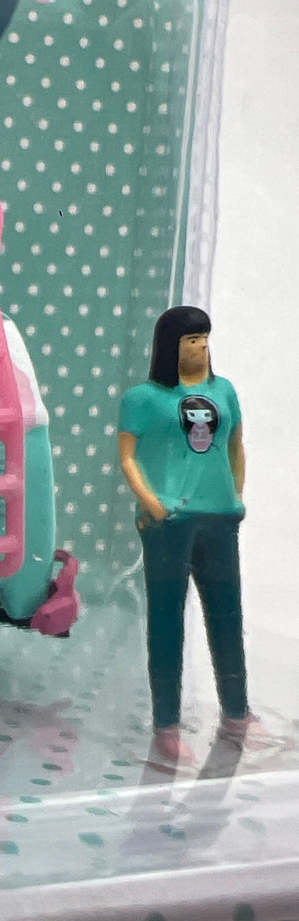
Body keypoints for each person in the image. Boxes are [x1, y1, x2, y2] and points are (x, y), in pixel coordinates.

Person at [119, 306, 263, 766]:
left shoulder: (225, 391)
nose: (200, 347)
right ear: (170, 346)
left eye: (203, 338)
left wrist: (235, 496)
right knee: (166, 621)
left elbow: (236, 447)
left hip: (219, 516)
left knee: (227, 616)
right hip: (169, 522)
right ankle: (166, 726)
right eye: (190, 340)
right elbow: (127, 456)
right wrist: (153, 503)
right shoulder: (143, 398)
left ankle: (238, 715)